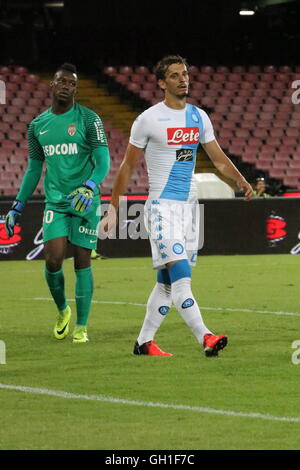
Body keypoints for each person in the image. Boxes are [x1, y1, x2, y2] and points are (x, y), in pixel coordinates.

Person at [102, 55, 253, 357]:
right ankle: (206, 337)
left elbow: (218, 158)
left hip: (189, 208)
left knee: (167, 284)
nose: (183, 79)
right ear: (161, 83)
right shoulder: (148, 119)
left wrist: (241, 180)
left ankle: (144, 342)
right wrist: (113, 207)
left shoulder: (198, 117)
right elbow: (128, 166)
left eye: (184, 74)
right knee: (182, 275)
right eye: (174, 75)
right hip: (161, 208)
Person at [5, 63, 110, 343]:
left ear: (75, 88)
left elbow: (103, 162)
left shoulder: (89, 120)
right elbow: (33, 169)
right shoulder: (38, 126)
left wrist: (89, 186)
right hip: (57, 203)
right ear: (52, 85)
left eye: (72, 83)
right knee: (53, 259)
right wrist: (17, 205)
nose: (66, 86)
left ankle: (82, 326)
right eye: (61, 81)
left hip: (85, 201)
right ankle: (63, 309)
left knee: (82, 260)